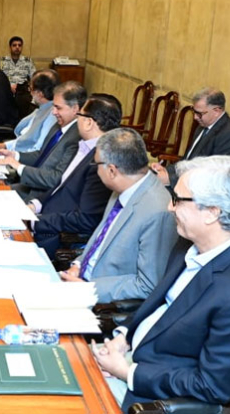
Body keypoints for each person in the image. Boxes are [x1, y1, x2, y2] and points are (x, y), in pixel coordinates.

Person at [94, 156, 230, 412]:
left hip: (149, 397)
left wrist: (128, 372)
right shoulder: (188, 245)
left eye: (177, 199)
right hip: (129, 355)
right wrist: (124, 337)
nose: (169, 207)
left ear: (212, 212)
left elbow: (211, 386)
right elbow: (158, 305)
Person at [59, 128, 179, 303]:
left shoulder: (158, 212)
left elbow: (148, 285)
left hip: (101, 302)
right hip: (77, 281)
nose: (95, 169)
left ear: (112, 171)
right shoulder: (125, 186)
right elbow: (101, 241)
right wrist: (77, 265)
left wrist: (87, 289)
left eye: (96, 164)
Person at [29, 95, 122, 255]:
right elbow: (60, 186)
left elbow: (86, 219)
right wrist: (34, 205)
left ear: (88, 122)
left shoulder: (101, 162)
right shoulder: (83, 146)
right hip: (43, 215)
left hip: (52, 234)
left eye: (79, 115)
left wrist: (34, 222)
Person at [0, 81, 87, 200]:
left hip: (42, 197)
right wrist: (14, 155)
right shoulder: (58, 126)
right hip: (30, 187)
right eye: (54, 106)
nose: (53, 112)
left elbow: (56, 179)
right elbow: (41, 155)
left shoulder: (77, 138)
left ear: (75, 109)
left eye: (58, 108)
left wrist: (19, 167)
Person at [150, 88, 230, 187]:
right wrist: (166, 170)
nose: (195, 117)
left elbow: (212, 176)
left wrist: (170, 179)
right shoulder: (203, 125)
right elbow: (188, 160)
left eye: (199, 113)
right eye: (194, 112)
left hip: (198, 191)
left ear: (216, 111)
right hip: (184, 181)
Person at [0, 69, 62, 153]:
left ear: (39, 93)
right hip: (13, 150)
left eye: (31, 89)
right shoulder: (42, 109)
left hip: (19, 157)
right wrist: (2, 146)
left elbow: (36, 150)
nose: (30, 92)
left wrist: (8, 154)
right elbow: (22, 139)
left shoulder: (52, 115)